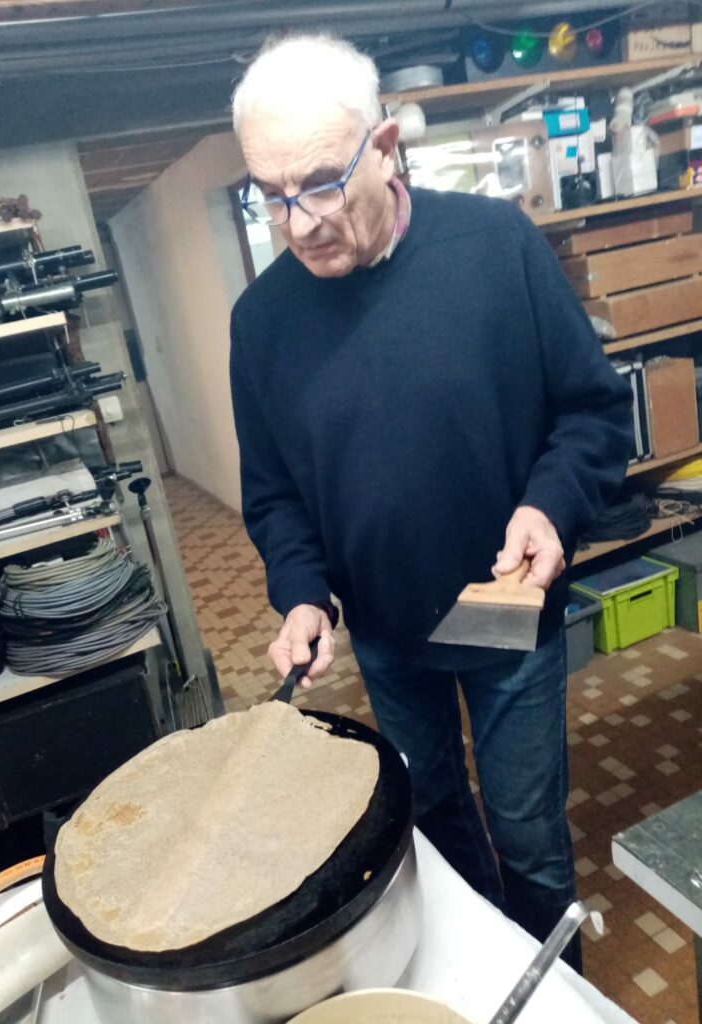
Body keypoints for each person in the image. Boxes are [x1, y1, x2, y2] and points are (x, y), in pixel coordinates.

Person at [229, 34, 633, 970]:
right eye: (270, 195)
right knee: (437, 823)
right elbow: (276, 496)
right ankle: (478, 981)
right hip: (385, 629)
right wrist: (302, 593)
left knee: (529, 840)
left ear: (386, 148)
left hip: (504, 608)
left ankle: (551, 1000)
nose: (297, 223)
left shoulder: (494, 247)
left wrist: (550, 506)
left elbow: (593, 413)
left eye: (320, 185)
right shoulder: (262, 323)